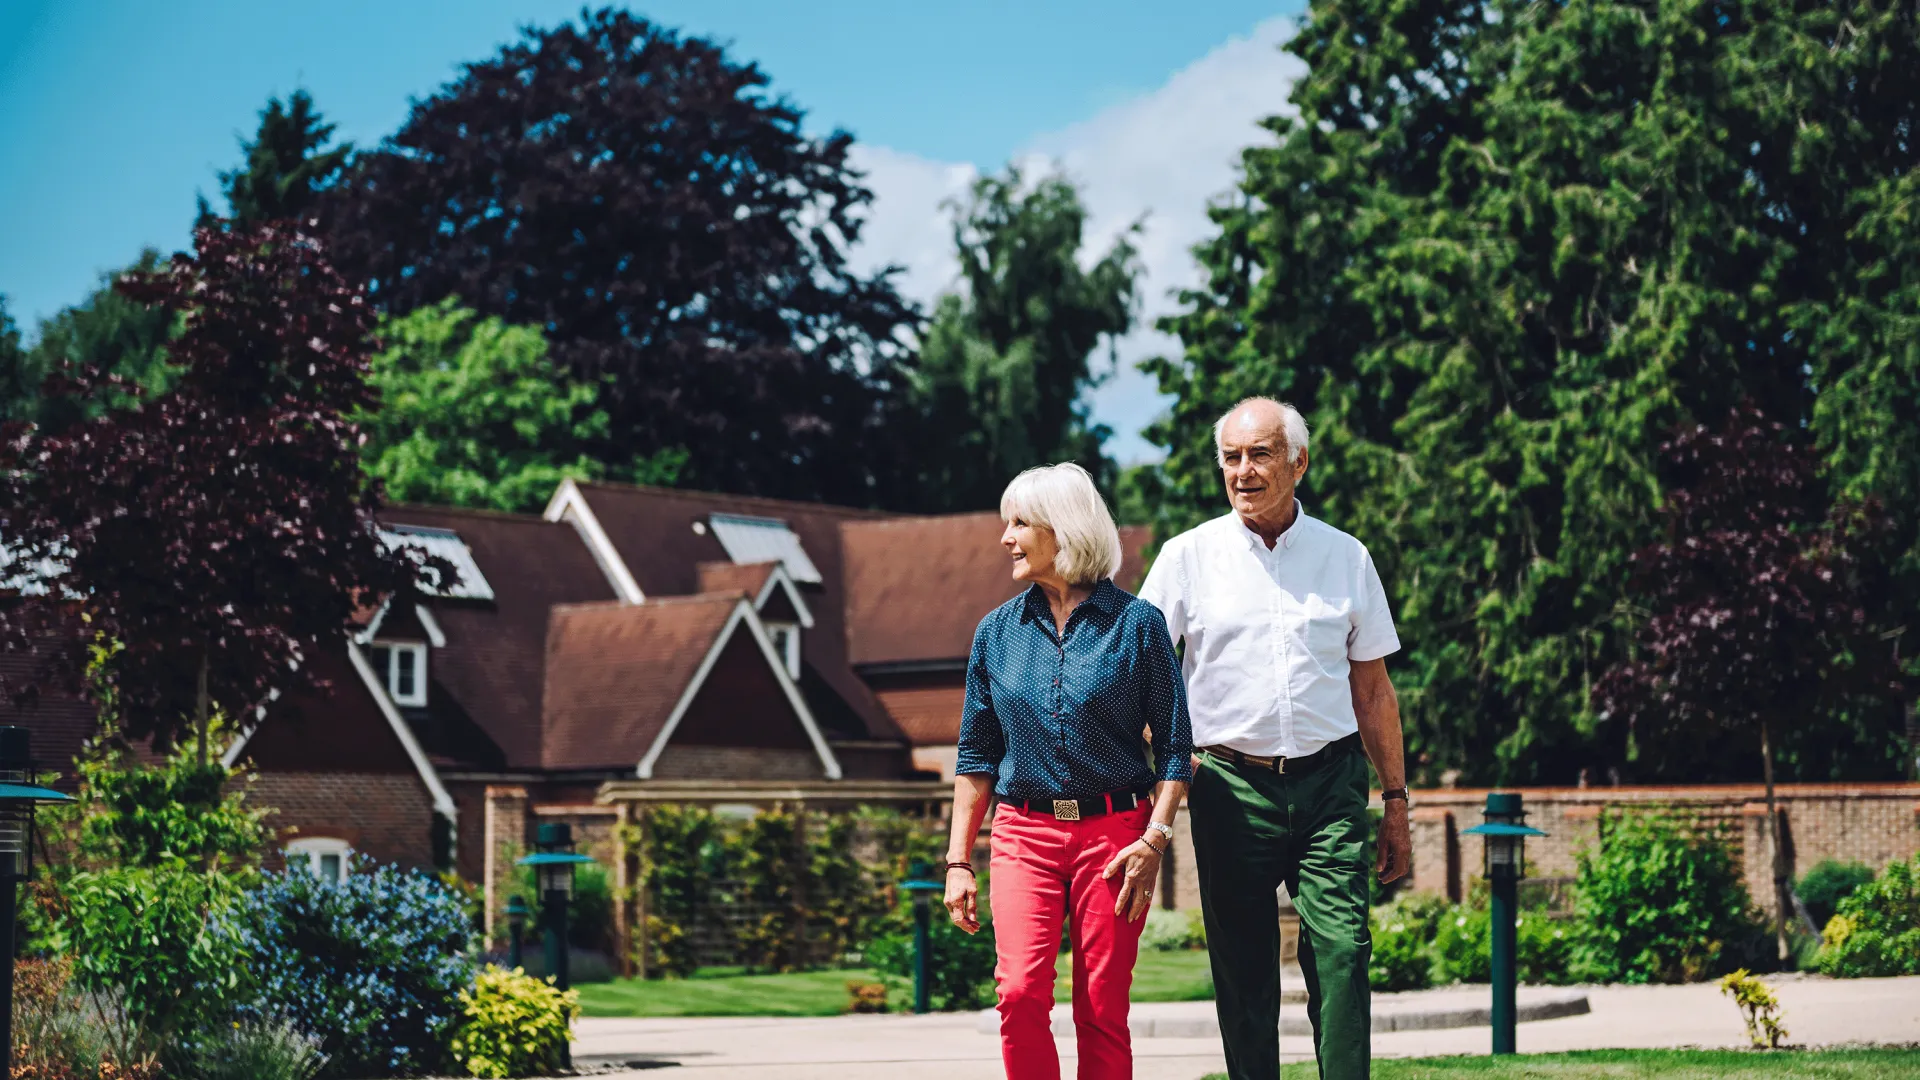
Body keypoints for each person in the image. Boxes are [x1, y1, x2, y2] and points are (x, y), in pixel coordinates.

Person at [1139, 397, 1410, 1080]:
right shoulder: (1186, 558)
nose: (1243, 471)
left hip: (1330, 786)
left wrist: (1396, 801)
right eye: (1231, 457)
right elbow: (1140, 676)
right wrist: (1163, 769)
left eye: (1259, 454)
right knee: (1244, 974)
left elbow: (1374, 691)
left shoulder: (1346, 557)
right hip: (1228, 787)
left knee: (1344, 953)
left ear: (1299, 463)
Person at [943, 462, 1194, 1080]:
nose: (1006, 537)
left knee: (1101, 1008)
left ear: (1063, 528)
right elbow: (976, 757)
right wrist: (957, 861)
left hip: (1115, 839)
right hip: (1023, 834)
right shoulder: (995, 633)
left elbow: (1175, 747)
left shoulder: (1138, 625)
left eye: (1019, 523)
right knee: (1019, 993)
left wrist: (1153, 841)